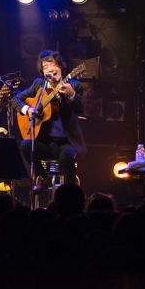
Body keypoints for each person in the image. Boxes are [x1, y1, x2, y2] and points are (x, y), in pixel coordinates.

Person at [12, 50, 86, 193]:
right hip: (44, 143)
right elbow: (15, 100)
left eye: (53, 64)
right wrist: (28, 110)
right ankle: (43, 178)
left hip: (66, 142)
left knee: (66, 155)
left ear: (60, 66)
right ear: (43, 72)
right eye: (46, 67)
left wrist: (72, 95)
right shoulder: (39, 84)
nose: (50, 69)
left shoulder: (73, 84)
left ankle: (70, 193)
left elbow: (80, 109)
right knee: (26, 144)